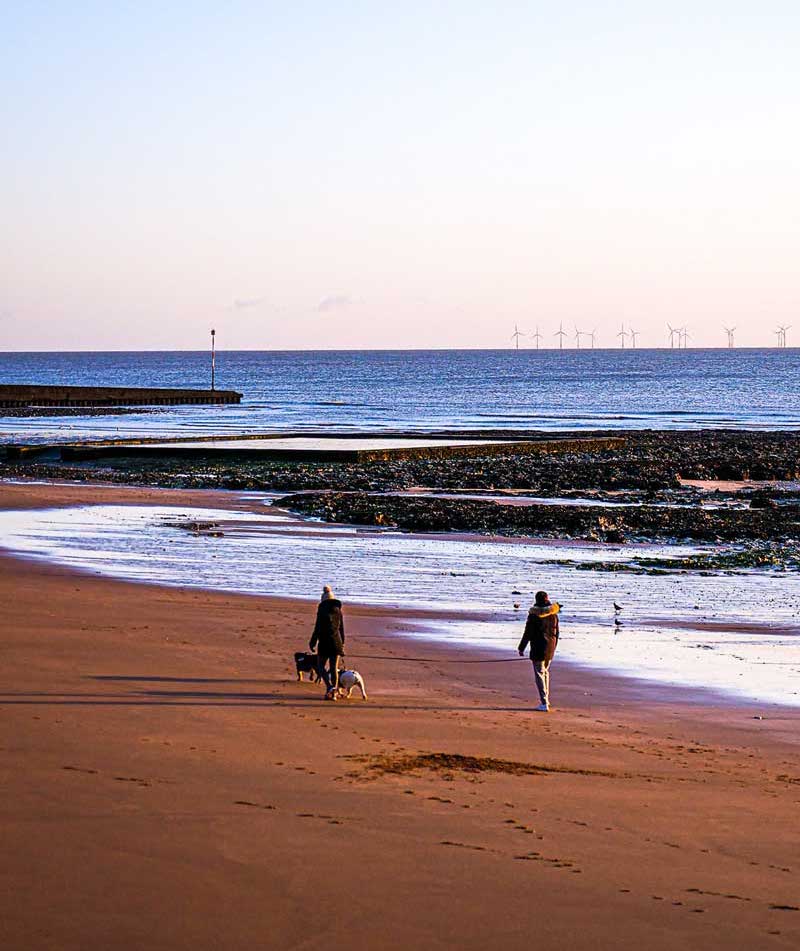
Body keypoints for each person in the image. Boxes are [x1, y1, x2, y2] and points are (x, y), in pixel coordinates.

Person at [517, 590, 560, 712]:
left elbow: (528, 633)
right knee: (545, 672)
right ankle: (546, 699)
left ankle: (544, 702)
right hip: (550, 647)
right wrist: (554, 646)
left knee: (540, 674)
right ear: (547, 599)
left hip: (538, 648)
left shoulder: (533, 615)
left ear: (537, 600)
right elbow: (557, 632)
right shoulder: (553, 613)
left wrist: (521, 648)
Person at [309, 585, 346, 699]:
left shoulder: (321, 611)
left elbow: (317, 628)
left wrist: (312, 642)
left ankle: (329, 687)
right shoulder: (338, 611)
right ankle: (333, 693)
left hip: (324, 642)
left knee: (320, 666)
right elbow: (341, 629)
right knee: (334, 668)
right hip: (336, 642)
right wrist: (342, 643)